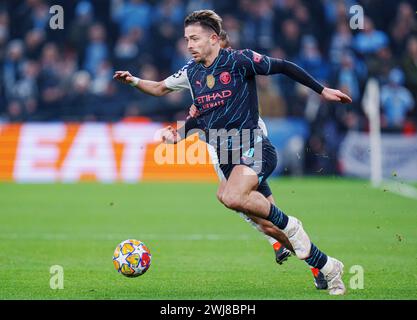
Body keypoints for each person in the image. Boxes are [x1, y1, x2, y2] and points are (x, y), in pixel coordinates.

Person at [114, 10, 352, 295]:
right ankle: (324, 266)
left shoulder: (240, 61)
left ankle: (293, 226)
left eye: (195, 38)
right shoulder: (191, 73)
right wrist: (136, 84)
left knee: (232, 196)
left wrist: (321, 90)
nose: (189, 45)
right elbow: (167, 93)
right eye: (186, 39)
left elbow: (284, 66)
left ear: (214, 39)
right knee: (267, 226)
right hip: (227, 159)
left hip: (254, 147)